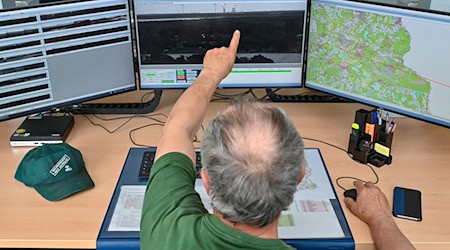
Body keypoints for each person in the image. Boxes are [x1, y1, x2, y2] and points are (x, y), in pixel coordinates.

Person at [140, 30, 414, 250]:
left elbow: (177, 127)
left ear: (206, 181)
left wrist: (212, 73)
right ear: (299, 176)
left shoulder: (165, 228)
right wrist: (380, 218)